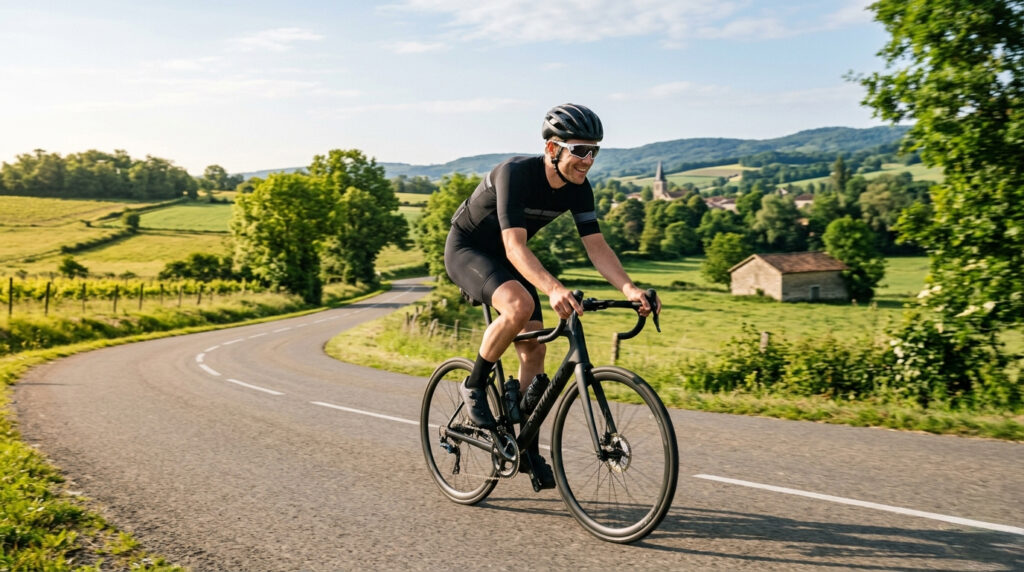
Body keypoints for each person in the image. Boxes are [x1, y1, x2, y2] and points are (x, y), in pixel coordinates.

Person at [444, 103, 660, 489]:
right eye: (579, 150)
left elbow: (597, 247)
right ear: (552, 149)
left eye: (594, 151)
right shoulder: (514, 174)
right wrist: (553, 288)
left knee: (535, 350)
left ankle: (525, 446)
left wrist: (629, 288)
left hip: (510, 258)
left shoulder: (579, 189)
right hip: (469, 250)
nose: (588, 160)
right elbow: (514, 246)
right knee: (519, 305)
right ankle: (474, 383)